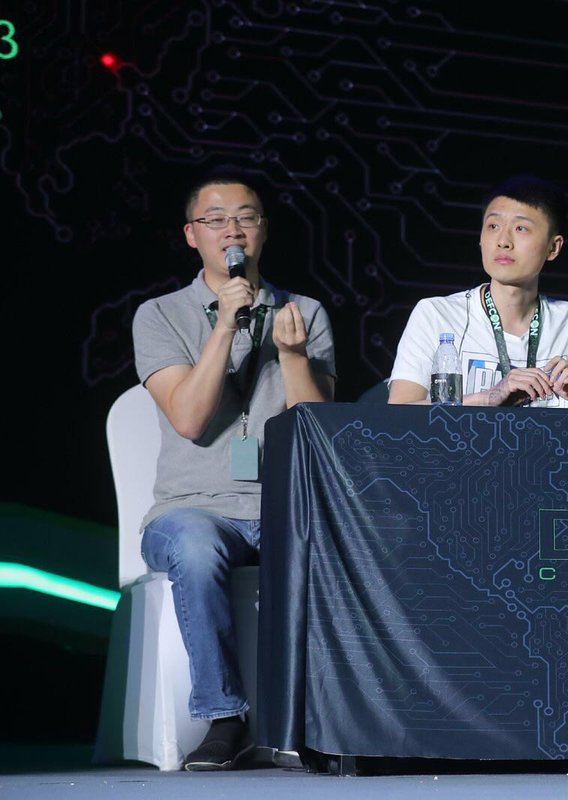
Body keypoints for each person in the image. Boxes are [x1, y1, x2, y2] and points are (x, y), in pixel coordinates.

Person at [132, 167, 336, 770]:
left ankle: (319, 719)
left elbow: (317, 432)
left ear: (263, 230)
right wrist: (224, 323)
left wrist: (292, 356)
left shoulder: (304, 311)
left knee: (346, 547)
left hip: (282, 506)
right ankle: (226, 718)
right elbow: (190, 418)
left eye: (246, 218)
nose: (233, 230)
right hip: (192, 510)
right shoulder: (160, 315)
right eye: (216, 219)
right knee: (196, 548)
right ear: (191, 234)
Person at [388, 175, 568, 408]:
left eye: (521, 228)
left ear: (553, 247)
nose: (503, 241)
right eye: (493, 226)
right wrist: (491, 397)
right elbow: (398, 412)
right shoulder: (436, 314)